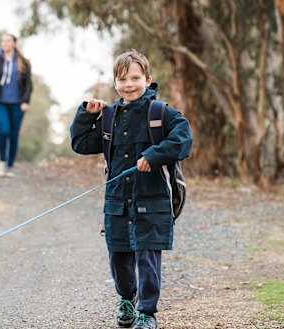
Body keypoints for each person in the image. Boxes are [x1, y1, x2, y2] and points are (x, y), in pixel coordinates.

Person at [70, 50, 193, 329]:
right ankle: (126, 299)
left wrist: (154, 155)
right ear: (115, 83)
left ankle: (147, 312)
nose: (129, 84)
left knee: (148, 256)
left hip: (152, 200)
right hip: (116, 201)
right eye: (123, 78)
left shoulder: (161, 113)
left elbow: (184, 140)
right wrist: (85, 115)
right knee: (119, 254)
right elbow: (81, 144)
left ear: (148, 80)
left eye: (135, 78)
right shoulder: (109, 116)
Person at [0, 33, 32, 178]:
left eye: (8, 41)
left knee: (13, 135)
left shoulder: (23, 63)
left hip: (18, 104)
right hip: (1, 103)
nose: (5, 43)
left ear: (14, 43)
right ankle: (1, 161)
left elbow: (29, 85)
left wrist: (25, 101)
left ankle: (10, 165)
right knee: (4, 131)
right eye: (3, 41)